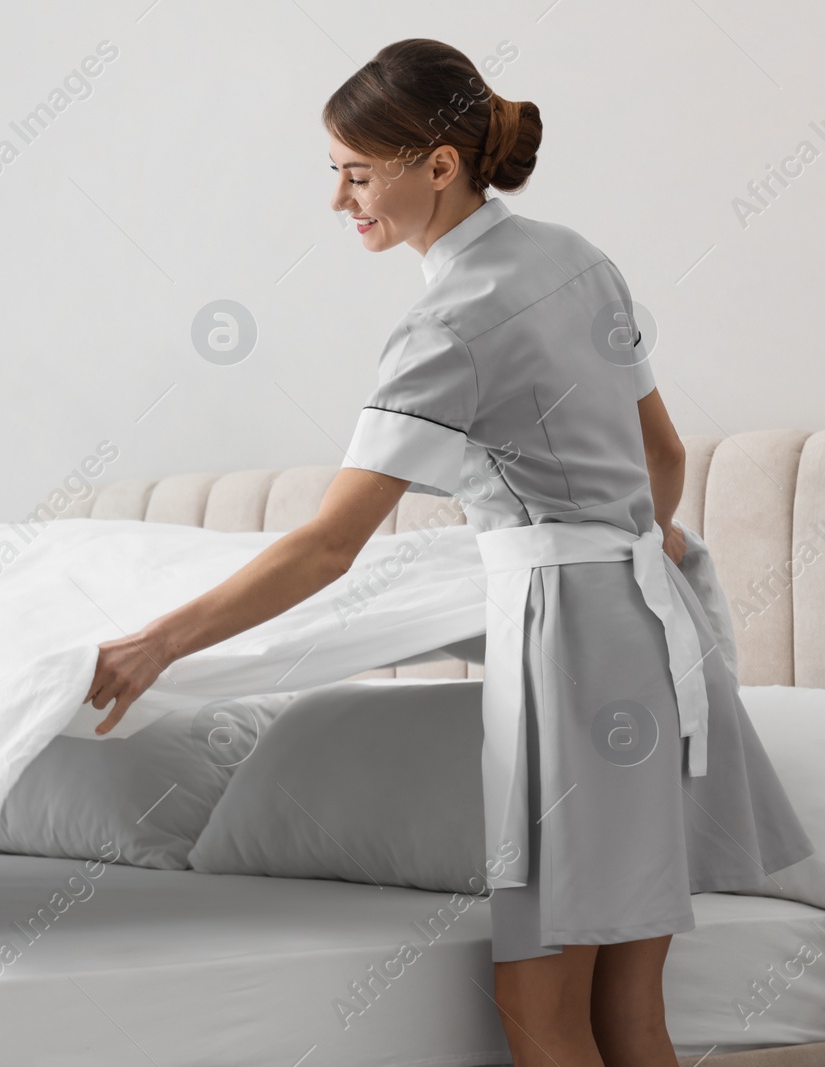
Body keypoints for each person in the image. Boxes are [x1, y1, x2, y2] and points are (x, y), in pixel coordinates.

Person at [81, 39, 813, 1067]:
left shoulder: (445, 326)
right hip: (651, 640)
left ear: (437, 163)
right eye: (331, 170)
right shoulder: (579, 261)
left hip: (564, 651)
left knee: (540, 1007)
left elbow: (329, 542)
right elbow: (663, 454)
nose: (338, 201)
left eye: (355, 171)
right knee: (633, 1008)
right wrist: (637, 534)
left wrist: (160, 640)